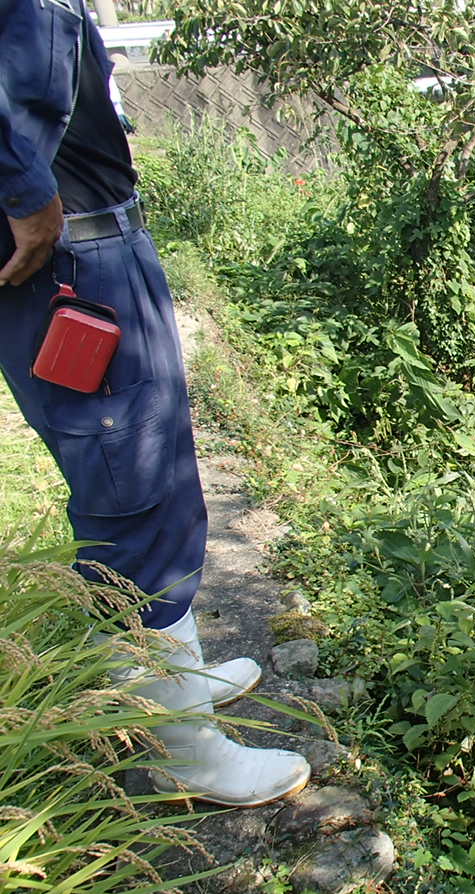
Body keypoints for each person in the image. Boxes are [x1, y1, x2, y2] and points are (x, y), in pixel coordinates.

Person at [0, 0, 308, 806]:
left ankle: (165, 684)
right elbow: (21, 64)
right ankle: (186, 754)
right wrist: (23, 193)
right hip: (72, 263)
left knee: (156, 478)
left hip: (97, 251)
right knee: (131, 496)